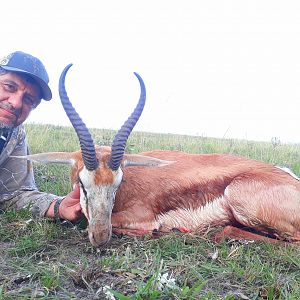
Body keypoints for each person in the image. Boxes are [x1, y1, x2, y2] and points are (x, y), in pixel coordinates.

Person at [0, 51, 82, 222]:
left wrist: (60, 206)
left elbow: (16, 194)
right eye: (9, 87)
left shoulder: (15, 133)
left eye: (28, 99)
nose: (15, 103)